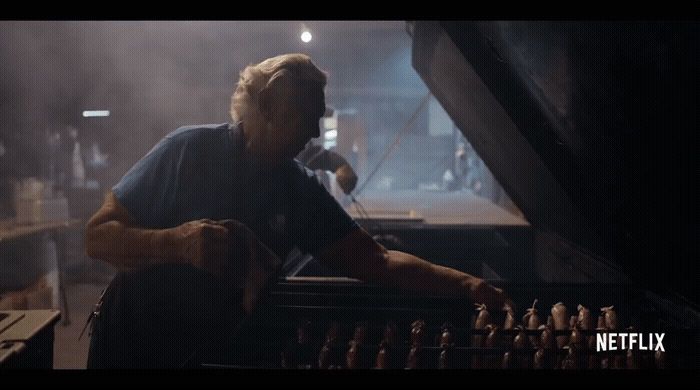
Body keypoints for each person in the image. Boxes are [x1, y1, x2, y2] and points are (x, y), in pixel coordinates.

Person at [84, 53, 510, 368]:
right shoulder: (188, 151)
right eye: (305, 116)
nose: (312, 130)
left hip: (206, 351)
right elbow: (98, 235)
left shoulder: (296, 189)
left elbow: (375, 260)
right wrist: (175, 243)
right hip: (132, 343)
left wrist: (466, 284)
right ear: (266, 108)